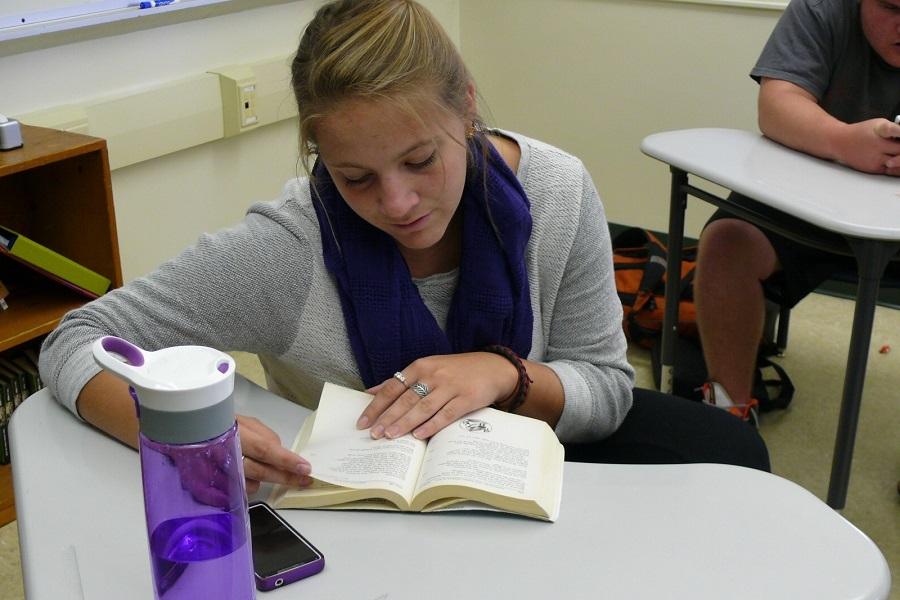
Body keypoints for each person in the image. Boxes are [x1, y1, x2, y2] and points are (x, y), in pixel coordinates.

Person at [39, 0, 769, 496]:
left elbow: (606, 387)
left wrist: (501, 374)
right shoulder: (289, 250)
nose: (397, 205)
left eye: (422, 161)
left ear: (469, 107)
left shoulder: (557, 191)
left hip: (526, 457)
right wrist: (183, 437)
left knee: (736, 462)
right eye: (355, 178)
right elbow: (77, 338)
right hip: (363, 506)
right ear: (318, 153)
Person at [694, 0, 900, 424]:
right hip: (811, 197)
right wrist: (845, 142)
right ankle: (727, 416)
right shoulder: (821, 8)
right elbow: (777, 104)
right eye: (892, 8)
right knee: (727, 244)